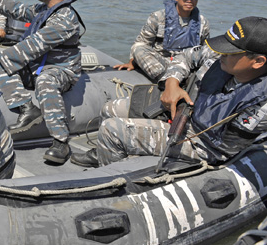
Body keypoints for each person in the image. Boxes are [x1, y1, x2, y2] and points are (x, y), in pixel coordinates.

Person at [71, 17, 267, 168]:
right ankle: (105, 153)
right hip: (185, 111)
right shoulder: (219, 55)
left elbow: (223, 144)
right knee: (110, 109)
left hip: (202, 143)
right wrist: (172, 84)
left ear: (258, 61)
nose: (222, 53)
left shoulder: (262, 104)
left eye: (231, 51)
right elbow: (186, 57)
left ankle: (118, 181)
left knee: (113, 130)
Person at [0, 0, 84, 164]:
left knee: (45, 80)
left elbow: (33, 45)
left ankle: (60, 142)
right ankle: (26, 107)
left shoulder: (64, 18)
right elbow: (18, 9)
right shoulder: (43, 10)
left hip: (59, 69)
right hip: (36, 65)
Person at [113, 0, 210, 82]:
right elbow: (142, 42)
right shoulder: (158, 17)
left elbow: (204, 51)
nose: (189, 0)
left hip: (186, 65)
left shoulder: (203, 23)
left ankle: (182, 82)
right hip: (162, 63)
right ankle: (166, 82)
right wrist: (132, 62)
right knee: (138, 48)